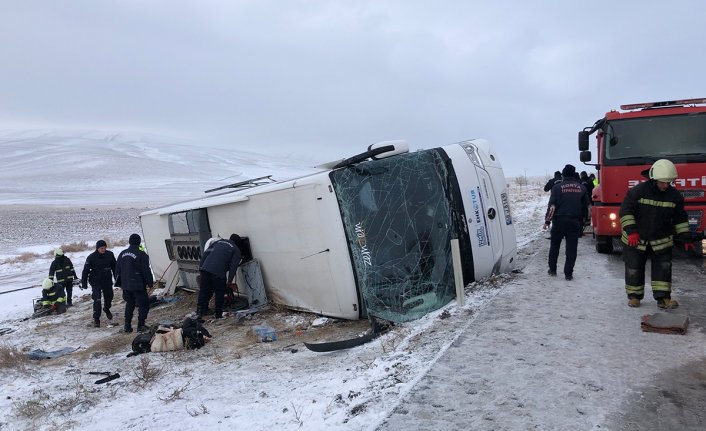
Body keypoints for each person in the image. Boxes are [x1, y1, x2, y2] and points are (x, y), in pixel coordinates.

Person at [619, 159, 690, 309]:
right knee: (634, 267)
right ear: (653, 179)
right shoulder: (638, 191)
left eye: (668, 182)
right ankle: (634, 297)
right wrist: (631, 232)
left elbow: (680, 218)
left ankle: (663, 299)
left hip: (661, 240)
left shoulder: (675, 196)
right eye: (662, 182)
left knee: (663, 268)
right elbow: (625, 212)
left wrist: (685, 237)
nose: (665, 185)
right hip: (636, 239)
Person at [543, 164, 589, 280]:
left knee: (554, 246)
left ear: (563, 174)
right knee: (571, 249)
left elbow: (552, 206)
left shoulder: (557, 188)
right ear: (574, 175)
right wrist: (585, 221)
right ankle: (568, 274)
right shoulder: (581, 188)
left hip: (559, 221)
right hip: (574, 221)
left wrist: (547, 221)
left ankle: (552, 270)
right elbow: (586, 207)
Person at [196, 234, 242, 319]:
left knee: (204, 291)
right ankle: (218, 314)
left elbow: (205, 254)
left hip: (206, 269)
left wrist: (201, 267)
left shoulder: (217, 242)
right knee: (219, 293)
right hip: (219, 272)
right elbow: (233, 268)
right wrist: (229, 281)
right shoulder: (236, 250)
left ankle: (200, 312)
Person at [116, 234, 154, 333]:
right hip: (138, 285)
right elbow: (146, 270)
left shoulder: (122, 253)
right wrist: (150, 283)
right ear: (139, 242)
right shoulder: (142, 254)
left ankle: (127, 326)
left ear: (129, 241)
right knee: (143, 304)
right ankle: (141, 325)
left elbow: (117, 270)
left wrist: (120, 283)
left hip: (126, 284)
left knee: (130, 303)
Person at [81, 239, 117, 327]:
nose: (103, 249)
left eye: (104, 248)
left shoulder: (110, 255)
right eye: (101, 248)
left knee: (109, 297)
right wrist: (84, 283)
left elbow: (115, 267)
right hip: (95, 281)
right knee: (97, 300)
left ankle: (107, 308)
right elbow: (85, 271)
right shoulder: (91, 257)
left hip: (107, 280)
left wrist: (117, 279)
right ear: (97, 248)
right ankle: (96, 319)